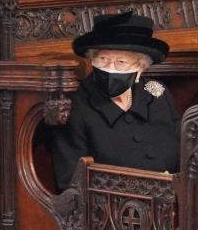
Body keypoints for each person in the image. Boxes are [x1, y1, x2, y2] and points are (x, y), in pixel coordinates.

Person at [51, 11, 180, 191]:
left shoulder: (157, 92)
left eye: (121, 62)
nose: (110, 69)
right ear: (92, 60)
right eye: (103, 59)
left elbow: (184, 153)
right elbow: (72, 185)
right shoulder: (75, 106)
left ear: (140, 70)